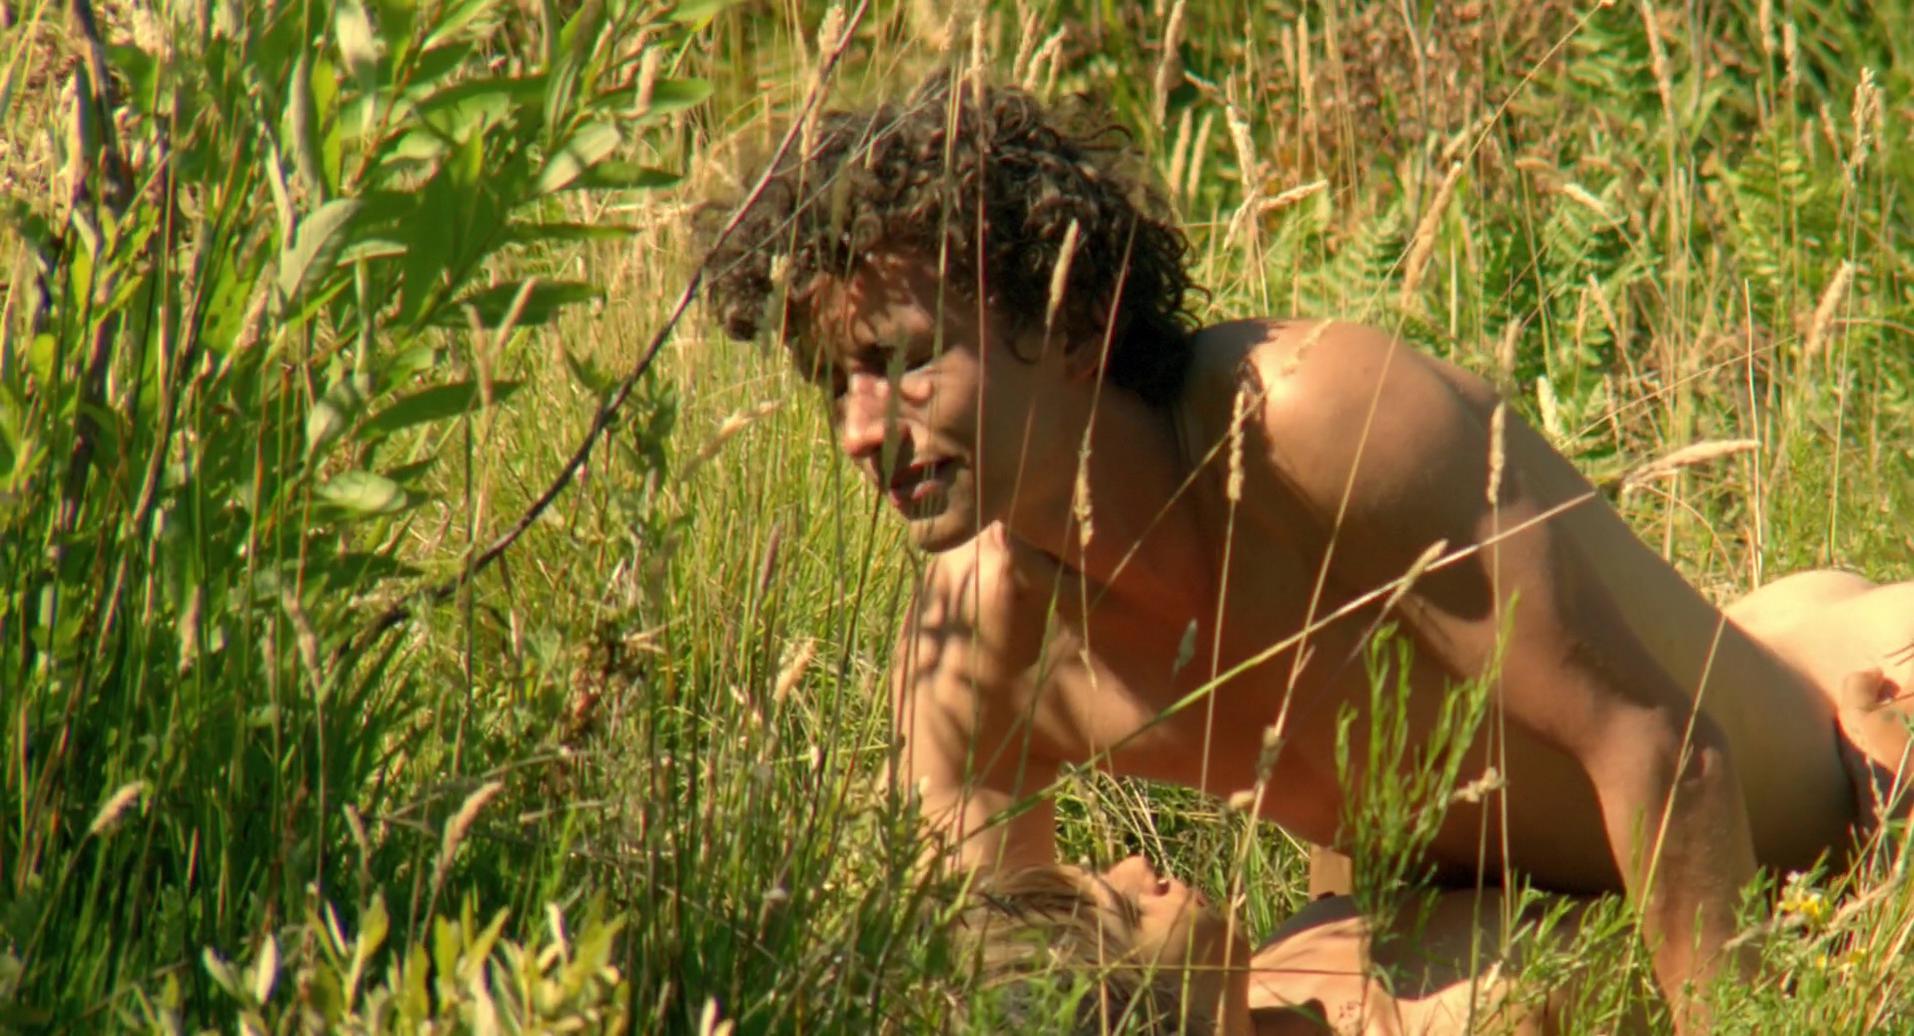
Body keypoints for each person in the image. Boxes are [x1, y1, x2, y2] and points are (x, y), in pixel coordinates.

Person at [702, 71, 1912, 1031]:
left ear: (1068, 325)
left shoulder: (1309, 427)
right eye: (835, 381)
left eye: (909, 358)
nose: (861, 428)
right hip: (1518, 908)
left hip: (1846, 750)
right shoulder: (973, 655)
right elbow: (1004, 984)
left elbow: (1661, 746)